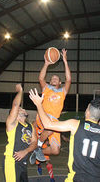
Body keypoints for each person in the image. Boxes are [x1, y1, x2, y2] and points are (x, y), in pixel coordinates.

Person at [29, 88, 100, 181]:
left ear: (87, 112)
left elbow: (47, 124)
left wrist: (38, 104)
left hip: (76, 178)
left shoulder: (75, 124)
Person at [30, 49, 71, 179]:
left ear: (59, 83)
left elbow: (69, 79)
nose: (53, 79)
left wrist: (65, 61)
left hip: (55, 121)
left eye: (56, 78)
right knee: (49, 128)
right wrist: (46, 64)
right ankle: (38, 146)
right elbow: (41, 78)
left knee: (55, 150)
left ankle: (38, 151)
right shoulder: (46, 88)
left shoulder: (62, 92)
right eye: (52, 78)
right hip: (43, 117)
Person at [3, 84, 37, 182]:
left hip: (23, 162)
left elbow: (34, 143)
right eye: (20, 109)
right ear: (15, 114)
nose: (22, 108)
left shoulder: (30, 126)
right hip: (11, 161)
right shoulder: (12, 123)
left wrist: (26, 151)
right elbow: (15, 105)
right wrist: (20, 91)